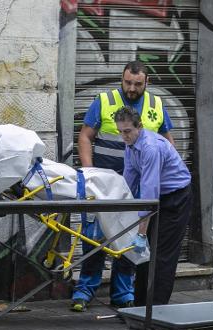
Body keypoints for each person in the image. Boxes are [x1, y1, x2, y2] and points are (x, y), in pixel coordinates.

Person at [71, 61, 175, 312]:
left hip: (137, 187)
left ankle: (122, 293)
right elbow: (85, 136)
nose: (131, 88)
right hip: (105, 184)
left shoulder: (156, 105)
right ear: (122, 78)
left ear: (146, 83)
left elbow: (167, 140)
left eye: (137, 84)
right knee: (94, 236)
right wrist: (89, 173)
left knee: (128, 238)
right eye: (127, 82)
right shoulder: (105, 100)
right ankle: (85, 290)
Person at [114, 106, 192, 306]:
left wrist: (141, 234)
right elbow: (128, 181)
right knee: (144, 256)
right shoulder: (130, 145)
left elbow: (149, 194)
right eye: (120, 131)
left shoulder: (150, 147)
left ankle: (156, 311)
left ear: (138, 127)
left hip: (175, 198)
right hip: (159, 197)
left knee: (162, 256)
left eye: (128, 131)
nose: (124, 136)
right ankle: (140, 308)